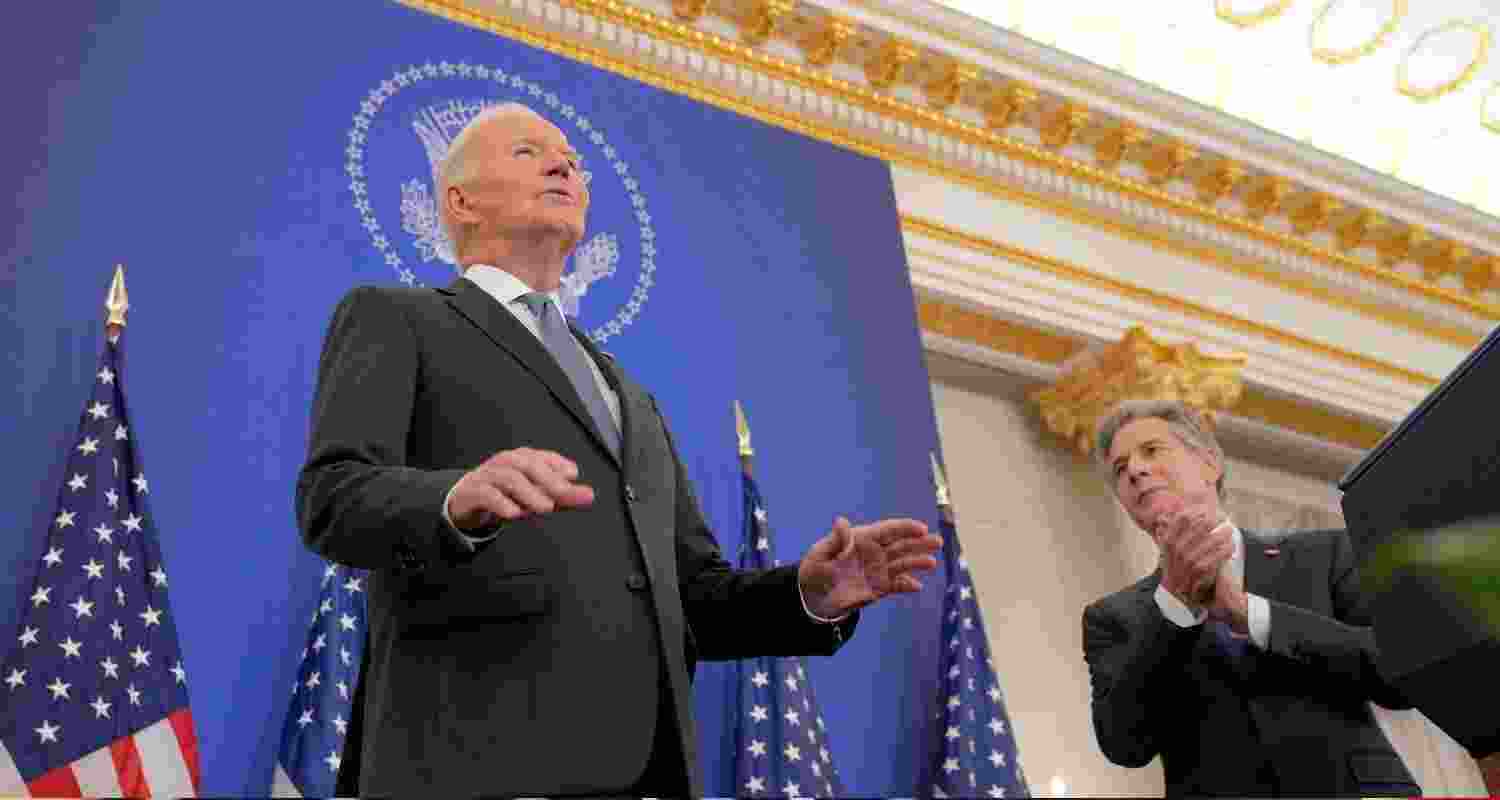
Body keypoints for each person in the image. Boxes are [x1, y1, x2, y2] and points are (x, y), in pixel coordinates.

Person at [294, 102, 942, 798]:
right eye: (528, 152)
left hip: (645, 774)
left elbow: (692, 594)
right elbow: (333, 497)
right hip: (471, 763)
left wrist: (808, 596)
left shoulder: (630, 396)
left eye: (573, 160)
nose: (562, 165)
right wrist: (453, 501)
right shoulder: (397, 318)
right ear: (460, 200)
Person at [1081, 399, 1420, 798]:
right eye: (1120, 470)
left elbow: (1399, 678)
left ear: (1210, 464)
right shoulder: (1113, 618)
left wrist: (1252, 615)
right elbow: (1125, 744)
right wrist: (1174, 605)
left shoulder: (1323, 555)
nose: (1135, 470)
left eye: (1151, 451)